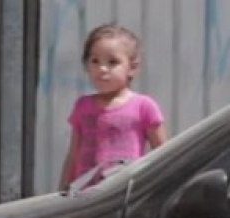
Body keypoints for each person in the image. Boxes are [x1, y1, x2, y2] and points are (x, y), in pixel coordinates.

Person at [59, 22, 168, 192]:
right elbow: (74, 154)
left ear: (132, 67)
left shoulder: (144, 106)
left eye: (113, 62)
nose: (102, 69)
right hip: (84, 196)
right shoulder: (83, 106)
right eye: (95, 61)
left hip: (124, 196)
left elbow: (163, 154)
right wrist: (63, 191)